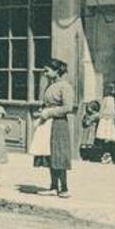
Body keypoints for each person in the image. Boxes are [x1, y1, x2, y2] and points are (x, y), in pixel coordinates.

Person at [34, 58, 76, 198]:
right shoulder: (49, 86)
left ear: (57, 71)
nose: (45, 74)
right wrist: (41, 112)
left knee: (59, 154)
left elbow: (68, 107)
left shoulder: (65, 86)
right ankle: (53, 186)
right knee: (49, 154)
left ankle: (64, 188)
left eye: (47, 71)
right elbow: (46, 104)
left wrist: (49, 112)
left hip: (58, 124)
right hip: (47, 123)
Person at [96, 82, 115, 164]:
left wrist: (101, 115)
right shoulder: (109, 99)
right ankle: (106, 156)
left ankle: (107, 156)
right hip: (107, 120)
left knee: (106, 139)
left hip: (106, 121)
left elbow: (108, 111)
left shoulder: (108, 99)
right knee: (106, 139)